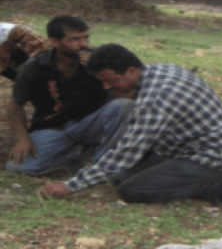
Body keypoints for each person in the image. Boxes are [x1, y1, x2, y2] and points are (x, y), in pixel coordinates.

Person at [40, 44, 222, 205]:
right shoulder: (162, 70)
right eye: (102, 81)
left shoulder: (154, 99)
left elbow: (127, 152)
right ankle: (207, 176)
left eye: (111, 80)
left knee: (132, 191)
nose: (106, 87)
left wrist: (70, 186)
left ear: (131, 71)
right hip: (192, 147)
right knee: (119, 176)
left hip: (216, 155)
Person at [6, 16, 131, 176]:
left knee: (123, 107)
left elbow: (127, 92)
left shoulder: (100, 59)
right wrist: (22, 138)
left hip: (92, 122)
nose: (83, 44)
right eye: (74, 39)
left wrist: (99, 72)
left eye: (85, 37)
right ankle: (73, 153)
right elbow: (15, 106)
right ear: (54, 42)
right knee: (18, 167)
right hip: (53, 127)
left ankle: (102, 164)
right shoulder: (33, 68)